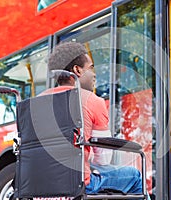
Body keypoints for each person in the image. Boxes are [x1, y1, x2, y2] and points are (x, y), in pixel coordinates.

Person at [45, 41, 144, 195]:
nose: (94, 74)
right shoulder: (91, 100)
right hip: (79, 184)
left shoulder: (35, 103)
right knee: (135, 176)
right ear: (77, 70)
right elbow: (103, 159)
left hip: (41, 186)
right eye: (91, 67)